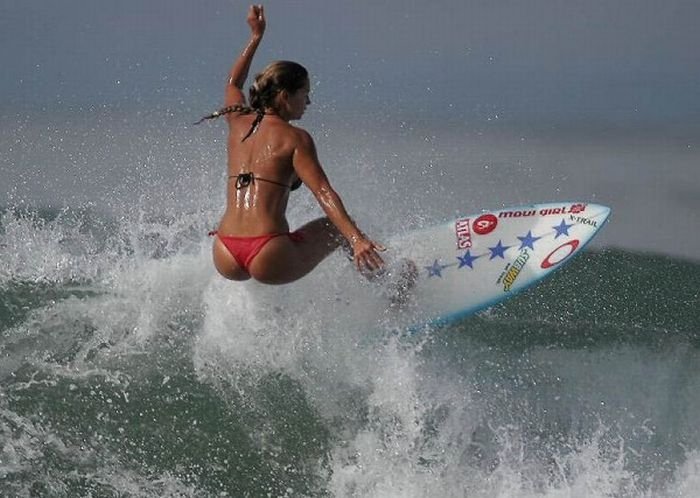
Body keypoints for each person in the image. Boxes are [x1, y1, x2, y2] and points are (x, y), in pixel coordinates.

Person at [198, 5, 386, 285]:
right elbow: (323, 192)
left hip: (224, 251)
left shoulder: (237, 120)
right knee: (339, 230)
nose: (308, 102)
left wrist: (256, 35)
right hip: (267, 251)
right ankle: (394, 289)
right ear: (285, 96)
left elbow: (233, 81)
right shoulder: (296, 138)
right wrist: (357, 239)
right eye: (305, 94)